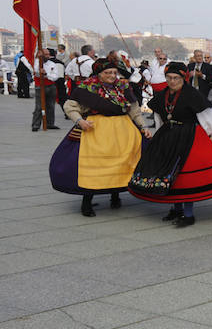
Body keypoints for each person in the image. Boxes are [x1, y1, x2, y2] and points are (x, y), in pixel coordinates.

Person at [129, 62, 212, 227]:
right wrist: (157, 135)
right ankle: (176, 209)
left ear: (183, 78)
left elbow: (208, 114)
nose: (172, 81)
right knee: (169, 173)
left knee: (185, 177)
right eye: (169, 78)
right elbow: (158, 117)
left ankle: (188, 215)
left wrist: (211, 133)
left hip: (189, 135)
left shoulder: (193, 94)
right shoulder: (162, 95)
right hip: (168, 134)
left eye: (176, 78)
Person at [51, 58, 151, 216]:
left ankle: (115, 196)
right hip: (97, 129)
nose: (112, 75)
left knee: (122, 162)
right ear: (99, 73)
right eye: (107, 73)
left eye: (114, 72)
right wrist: (79, 121)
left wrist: (143, 126)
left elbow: (134, 109)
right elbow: (70, 106)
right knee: (94, 164)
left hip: (123, 129)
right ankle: (87, 202)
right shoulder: (87, 87)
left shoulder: (122, 86)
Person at [29, 48, 62, 131]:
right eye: (46, 54)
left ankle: (50, 123)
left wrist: (46, 75)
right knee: (39, 106)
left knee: (51, 106)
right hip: (40, 86)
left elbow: (55, 77)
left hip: (51, 86)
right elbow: (35, 72)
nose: (48, 56)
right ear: (41, 55)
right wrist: (39, 71)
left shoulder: (52, 64)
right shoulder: (36, 62)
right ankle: (36, 124)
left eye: (48, 54)